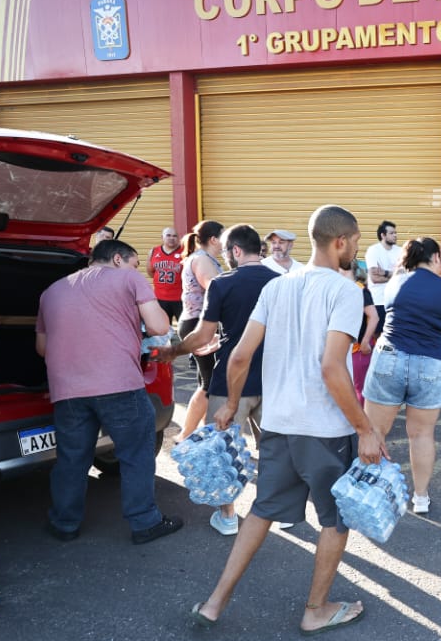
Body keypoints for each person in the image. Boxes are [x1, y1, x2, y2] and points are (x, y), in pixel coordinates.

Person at [190, 205, 387, 636]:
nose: (356, 249)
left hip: (278, 425)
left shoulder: (277, 288)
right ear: (341, 242)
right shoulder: (345, 291)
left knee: (260, 511)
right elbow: (333, 369)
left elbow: (239, 355)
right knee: (335, 521)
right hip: (325, 431)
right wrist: (365, 429)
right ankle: (315, 609)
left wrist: (229, 405)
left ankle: (214, 602)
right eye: (355, 242)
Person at [37, 239, 181, 544]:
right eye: (134, 262)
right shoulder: (127, 277)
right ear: (118, 259)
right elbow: (158, 326)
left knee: (71, 458)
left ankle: (64, 523)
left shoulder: (51, 291)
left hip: (67, 391)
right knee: (135, 454)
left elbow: (42, 347)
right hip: (119, 385)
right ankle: (145, 523)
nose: (137, 269)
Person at [154, 225, 278, 536]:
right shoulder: (282, 282)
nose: (224, 258)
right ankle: (273, 509)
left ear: (236, 251)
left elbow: (202, 336)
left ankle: (228, 516)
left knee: (222, 447)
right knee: (275, 448)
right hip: (273, 378)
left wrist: (173, 350)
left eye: (225, 252)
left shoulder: (223, 284)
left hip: (231, 380)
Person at [363, 237, 441, 515]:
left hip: (389, 357)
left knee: (375, 431)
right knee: (422, 434)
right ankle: (421, 498)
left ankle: (368, 490)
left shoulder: (396, 282)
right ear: (435, 257)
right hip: (430, 364)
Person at [177, 220, 224, 440]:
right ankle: (185, 435)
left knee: (204, 381)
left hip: (198, 322)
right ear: (214, 239)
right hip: (199, 324)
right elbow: (214, 287)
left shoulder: (203, 258)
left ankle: (202, 432)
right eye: (223, 237)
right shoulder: (202, 259)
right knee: (209, 383)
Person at [345, 263, 378, 405]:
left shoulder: (359, 290)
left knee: (360, 388)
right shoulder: (341, 289)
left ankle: (361, 423)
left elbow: (374, 316)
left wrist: (365, 341)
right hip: (345, 347)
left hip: (358, 347)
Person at [366, 220, 404, 331]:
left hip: (396, 301)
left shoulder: (400, 251)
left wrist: (385, 273)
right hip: (378, 300)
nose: (395, 235)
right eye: (392, 233)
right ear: (383, 235)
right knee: (378, 337)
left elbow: (403, 275)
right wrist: (395, 274)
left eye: (395, 233)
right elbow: (375, 278)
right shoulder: (373, 251)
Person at [149, 227, 184, 323]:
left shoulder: (184, 252)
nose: (171, 238)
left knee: (184, 330)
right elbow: (151, 272)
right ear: (162, 237)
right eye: (168, 235)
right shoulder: (154, 251)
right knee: (163, 330)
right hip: (160, 298)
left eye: (175, 236)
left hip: (180, 298)